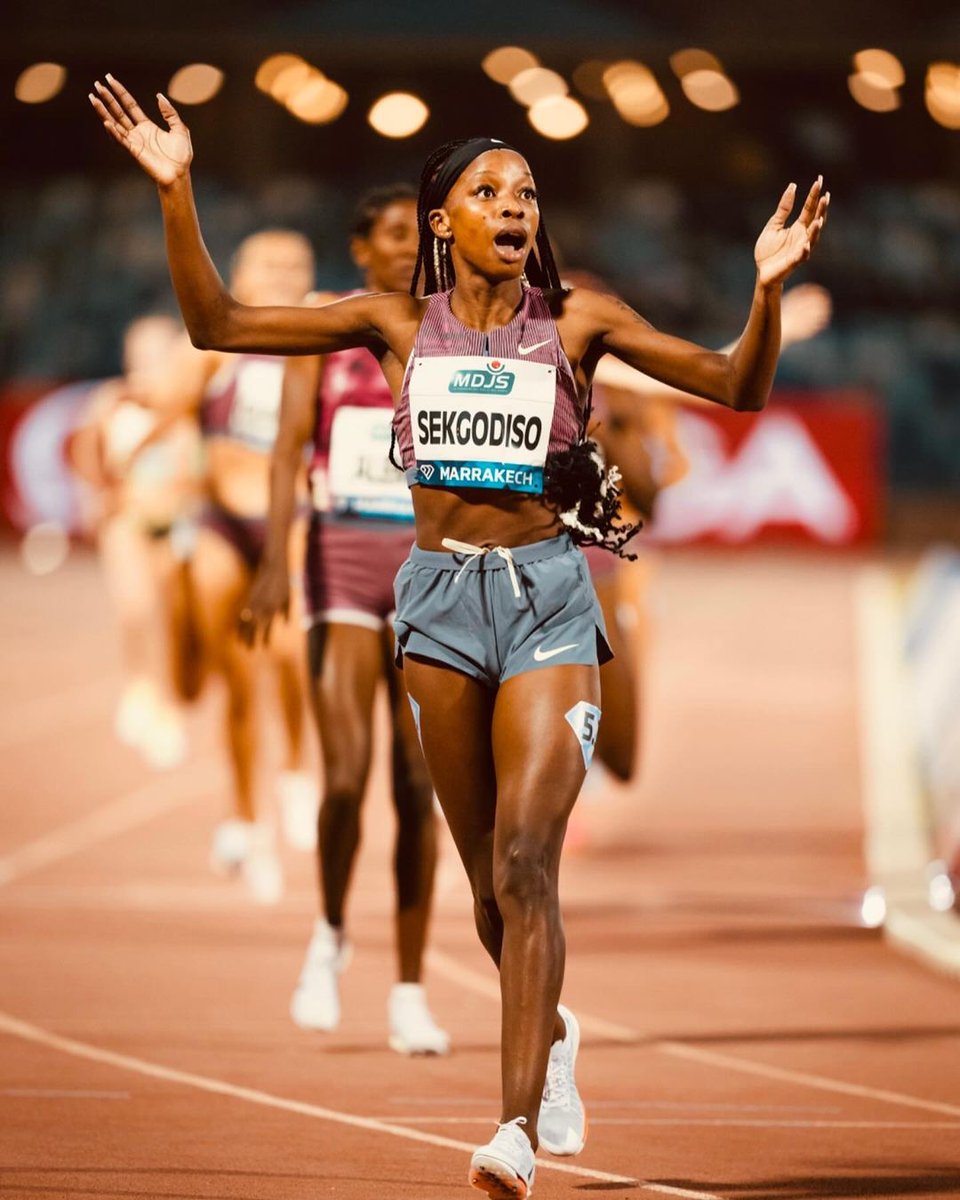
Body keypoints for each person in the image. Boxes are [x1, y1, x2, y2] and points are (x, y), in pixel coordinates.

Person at [90, 76, 828, 1198]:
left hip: (546, 601)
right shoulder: (395, 324)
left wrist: (766, 292)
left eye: (527, 189)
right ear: (445, 221)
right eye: (489, 189)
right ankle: (555, 1029)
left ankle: (515, 1130)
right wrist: (178, 189)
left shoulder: (580, 320)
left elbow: (740, 383)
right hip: (434, 604)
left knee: (530, 863)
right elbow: (218, 326)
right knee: (487, 884)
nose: (514, 203)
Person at [242, 184, 449, 1054]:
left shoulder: (446, 327)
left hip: (424, 572)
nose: (410, 249)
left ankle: (408, 990)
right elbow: (291, 446)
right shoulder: (325, 328)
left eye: (420, 236)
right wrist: (271, 562)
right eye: (394, 236)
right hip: (340, 562)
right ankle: (328, 934)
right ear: (360, 248)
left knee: (416, 789)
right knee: (344, 778)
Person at [582, 281, 834, 789]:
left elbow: (706, 376)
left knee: (623, 754)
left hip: (601, 554)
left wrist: (771, 322)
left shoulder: (576, 351)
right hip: (511, 559)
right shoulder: (449, 342)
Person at [152, 228, 320, 903]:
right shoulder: (212, 345)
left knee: (294, 653)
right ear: (240, 275)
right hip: (222, 520)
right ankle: (246, 815)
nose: (282, 274)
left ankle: (298, 771)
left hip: (295, 519)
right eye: (267, 264)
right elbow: (166, 412)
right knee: (236, 676)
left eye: (295, 263)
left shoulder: (321, 335)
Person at [67, 313, 203, 770]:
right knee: (135, 607)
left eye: (157, 353)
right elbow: (84, 449)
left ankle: (167, 707)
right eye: (139, 353)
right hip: (125, 520)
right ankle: (138, 686)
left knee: (171, 617)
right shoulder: (109, 400)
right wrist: (94, 494)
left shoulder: (183, 406)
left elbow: (193, 463)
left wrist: (184, 497)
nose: (147, 362)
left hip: (172, 521)